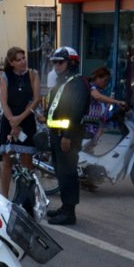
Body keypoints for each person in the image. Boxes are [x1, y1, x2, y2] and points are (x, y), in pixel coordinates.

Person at [45, 46, 90, 225]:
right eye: (54, 62)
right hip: (57, 134)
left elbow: (76, 111)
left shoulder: (77, 83)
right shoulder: (64, 81)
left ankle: (69, 213)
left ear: (71, 62)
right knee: (60, 172)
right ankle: (64, 207)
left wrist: (67, 136)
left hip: (67, 136)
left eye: (60, 62)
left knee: (68, 173)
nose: (56, 65)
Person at [0, 47, 41, 196]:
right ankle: (4, 197)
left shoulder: (33, 74)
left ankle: (25, 198)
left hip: (26, 120)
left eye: (24, 58)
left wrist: (20, 119)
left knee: (26, 163)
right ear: (11, 62)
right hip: (9, 121)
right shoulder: (6, 76)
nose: (23, 61)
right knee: (7, 161)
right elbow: (4, 102)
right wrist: (12, 122)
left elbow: (36, 99)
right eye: (19, 59)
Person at [82, 67, 127, 153]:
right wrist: (117, 102)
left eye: (108, 81)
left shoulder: (99, 91)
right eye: (105, 80)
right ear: (98, 78)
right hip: (87, 128)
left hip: (94, 130)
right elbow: (97, 97)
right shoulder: (91, 88)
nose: (106, 83)